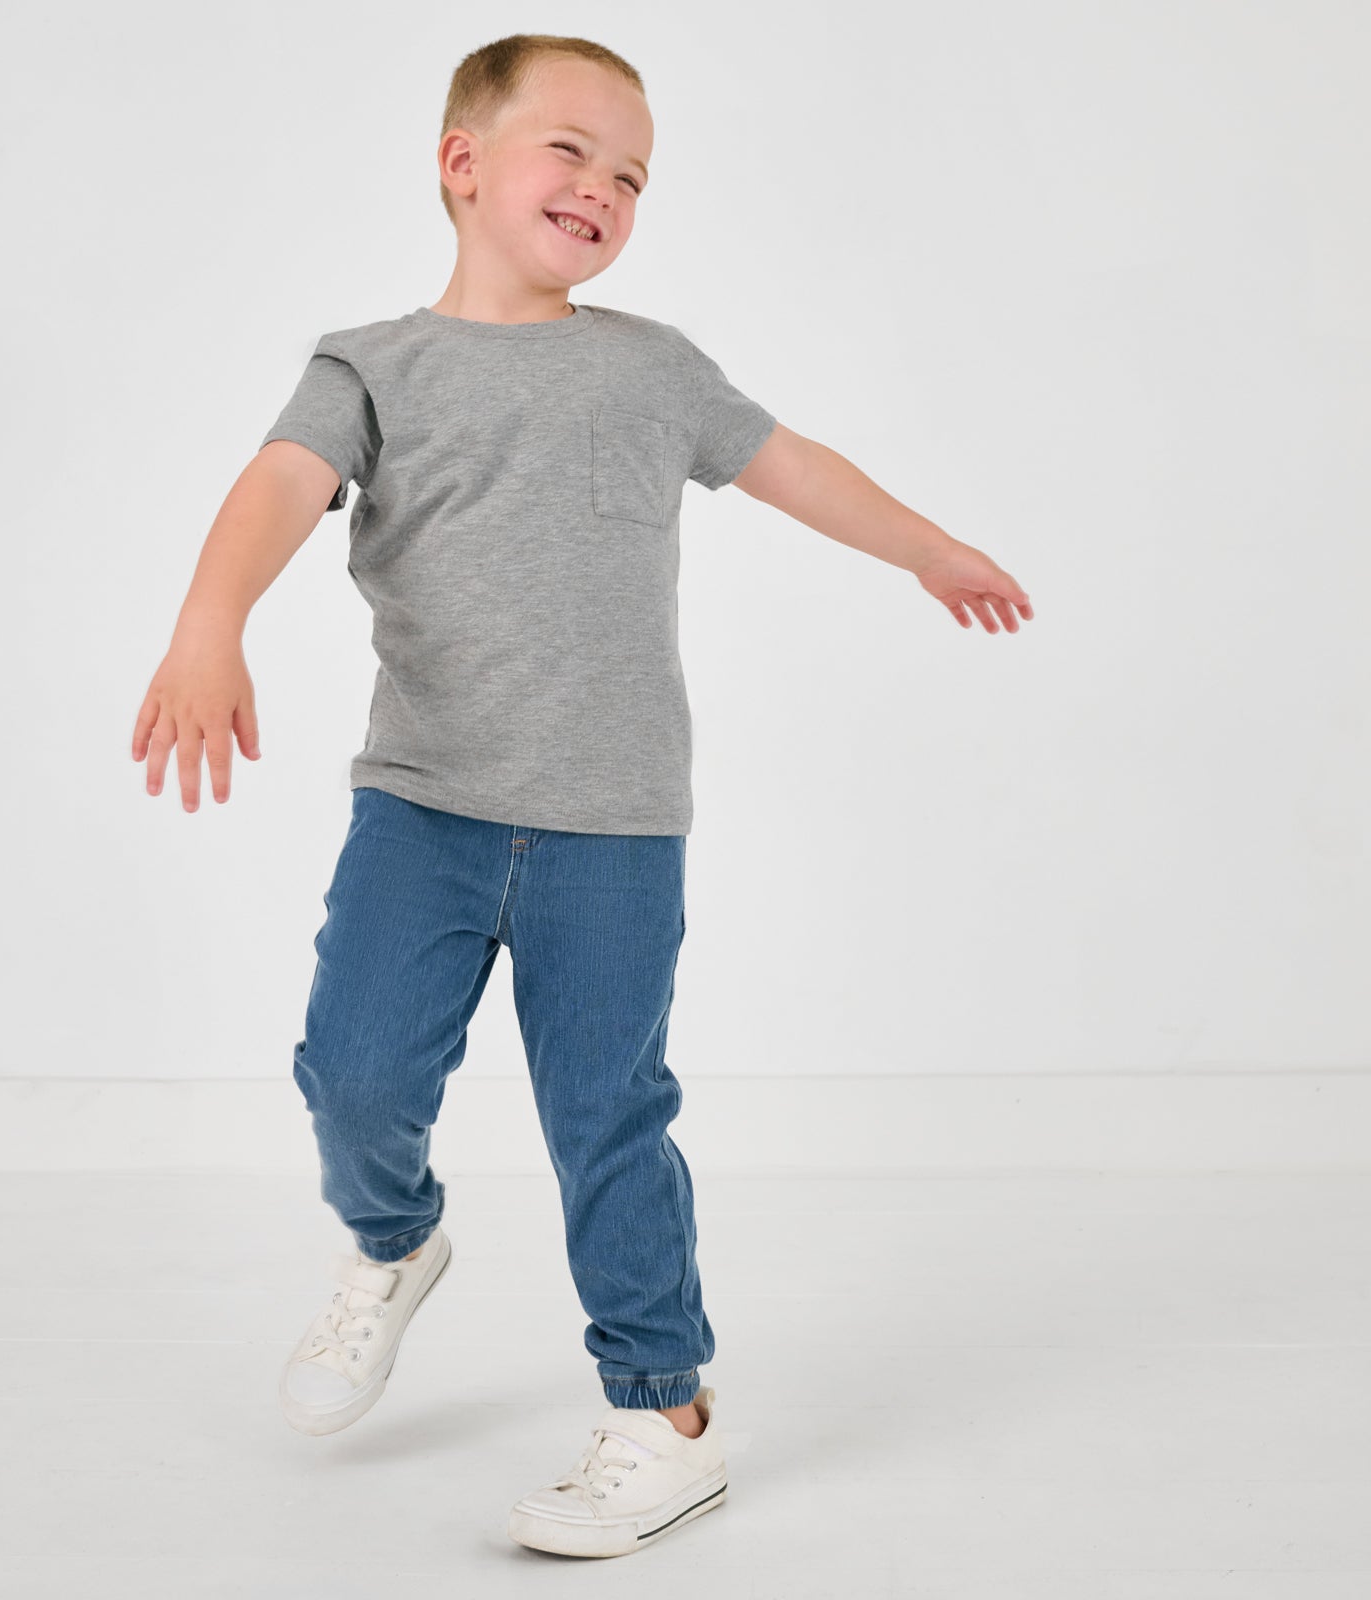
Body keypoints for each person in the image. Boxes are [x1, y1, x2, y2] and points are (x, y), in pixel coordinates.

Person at [130, 32, 1032, 1560]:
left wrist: (927, 546)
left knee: (607, 1113)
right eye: (572, 151)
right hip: (423, 807)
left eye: (632, 175)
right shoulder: (371, 364)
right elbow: (278, 482)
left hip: (614, 829)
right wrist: (207, 622)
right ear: (461, 161)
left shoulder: (653, 368)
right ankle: (397, 1244)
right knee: (349, 1074)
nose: (604, 189)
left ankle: (664, 1415)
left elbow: (796, 466)